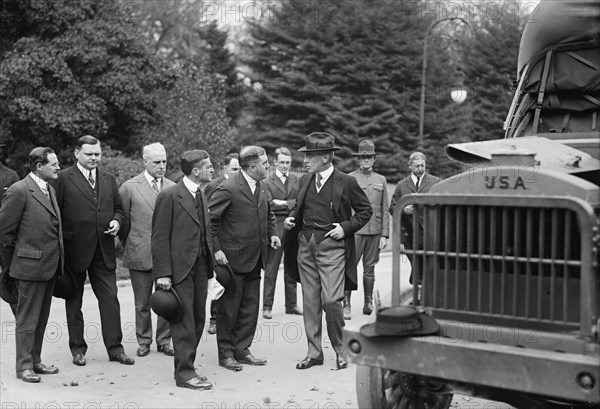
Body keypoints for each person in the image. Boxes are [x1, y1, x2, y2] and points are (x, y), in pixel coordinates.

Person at [283, 132, 372, 370]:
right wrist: (292, 220)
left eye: (310, 156)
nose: (305, 161)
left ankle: (341, 349)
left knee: (332, 300)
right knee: (310, 302)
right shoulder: (304, 181)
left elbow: (365, 212)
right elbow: (299, 209)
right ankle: (314, 353)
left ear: (325, 157)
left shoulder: (346, 182)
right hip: (305, 247)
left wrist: (345, 228)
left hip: (333, 249)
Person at [52, 135, 134, 367]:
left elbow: (119, 209)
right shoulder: (63, 178)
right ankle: (78, 349)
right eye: (89, 154)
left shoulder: (108, 179)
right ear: (77, 153)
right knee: (74, 301)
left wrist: (117, 222)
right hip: (74, 250)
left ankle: (115, 349)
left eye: (97, 154)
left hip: (103, 249)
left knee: (110, 299)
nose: (94, 158)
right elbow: (54, 213)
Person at [209, 146, 279, 372]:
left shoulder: (262, 185)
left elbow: (267, 213)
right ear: (252, 167)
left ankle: (242, 349)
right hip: (232, 261)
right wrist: (216, 249)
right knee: (228, 309)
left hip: (256, 257)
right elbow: (209, 222)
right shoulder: (228, 188)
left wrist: (273, 233)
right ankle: (226, 354)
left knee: (250, 307)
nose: (269, 166)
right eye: (265, 163)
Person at [151, 149, 215, 390]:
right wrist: (163, 274)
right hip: (178, 270)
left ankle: (188, 366)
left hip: (200, 266)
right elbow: (158, 237)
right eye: (208, 166)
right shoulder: (169, 196)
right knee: (184, 322)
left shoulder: (202, 193)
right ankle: (185, 374)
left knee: (198, 319)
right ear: (196, 171)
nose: (213, 170)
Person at [0, 147, 63, 383]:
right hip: (28, 267)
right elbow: (4, 232)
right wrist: (15, 262)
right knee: (27, 320)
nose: (58, 167)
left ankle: (35, 361)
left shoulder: (49, 190)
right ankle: (23, 366)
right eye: (54, 164)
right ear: (39, 166)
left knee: (41, 318)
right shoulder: (19, 190)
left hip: (48, 266)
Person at [119, 143, 175, 358]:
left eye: (164, 162)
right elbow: (123, 222)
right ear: (145, 162)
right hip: (139, 252)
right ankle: (143, 340)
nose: (162, 166)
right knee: (141, 303)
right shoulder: (129, 187)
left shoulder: (172, 186)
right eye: (156, 162)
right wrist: (132, 243)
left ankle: (164, 340)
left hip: (166, 256)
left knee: (166, 301)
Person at [348, 139, 389, 318]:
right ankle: (346, 303)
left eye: (369, 157)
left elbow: (385, 208)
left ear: (374, 159)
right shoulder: (350, 178)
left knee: (369, 269)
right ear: (358, 159)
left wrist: (385, 234)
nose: (366, 160)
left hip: (375, 231)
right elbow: (344, 207)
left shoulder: (381, 180)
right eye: (363, 157)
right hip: (356, 231)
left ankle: (368, 302)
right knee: (350, 267)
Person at [262, 147, 302, 319]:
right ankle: (267, 306)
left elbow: (300, 202)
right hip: (276, 225)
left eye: (288, 162)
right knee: (272, 267)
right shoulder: (267, 181)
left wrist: (284, 203)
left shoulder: (297, 180)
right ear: (275, 163)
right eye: (282, 162)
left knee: (292, 265)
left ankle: (291, 305)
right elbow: (269, 204)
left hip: (292, 224)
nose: (285, 166)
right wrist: (289, 203)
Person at [389, 151, 441, 284]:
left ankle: (419, 282)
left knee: (428, 260)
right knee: (415, 260)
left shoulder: (436, 182)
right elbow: (392, 207)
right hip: (409, 232)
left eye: (422, 165)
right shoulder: (401, 185)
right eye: (417, 166)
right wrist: (403, 209)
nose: (420, 169)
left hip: (430, 231)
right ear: (410, 166)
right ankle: (419, 281)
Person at [203, 152, 239, 335]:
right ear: (225, 168)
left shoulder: (240, 186)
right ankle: (214, 319)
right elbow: (209, 218)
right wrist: (215, 247)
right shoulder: (214, 185)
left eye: (239, 169)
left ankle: (231, 319)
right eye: (234, 169)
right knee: (220, 280)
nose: (237, 172)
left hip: (234, 242)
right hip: (218, 242)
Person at [0, 142, 21, 315]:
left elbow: (18, 208)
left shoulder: (11, 176)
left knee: (10, 281)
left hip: (5, 241)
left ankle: (22, 323)